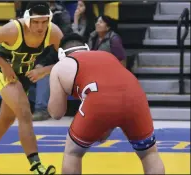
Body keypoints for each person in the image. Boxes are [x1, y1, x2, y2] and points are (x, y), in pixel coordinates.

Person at [47, 33, 165, 174]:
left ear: (61, 54)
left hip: (99, 100)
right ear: (87, 48)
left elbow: (57, 113)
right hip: (135, 95)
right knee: (149, 154)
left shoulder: (61, 66)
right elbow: (115, 92)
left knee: (73, 153)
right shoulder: (107, 55)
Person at [0, 2, 62, 175]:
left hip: (23, 75)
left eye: (44, 22)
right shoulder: (13, 29)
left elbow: (69, 58)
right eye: (36, 22)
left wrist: (44, 70)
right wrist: (3, 65)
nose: (40, 27)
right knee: (24, 113)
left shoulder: (54, 32)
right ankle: (36, 166)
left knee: (6, 119)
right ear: (27, 19)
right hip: (4, 72)